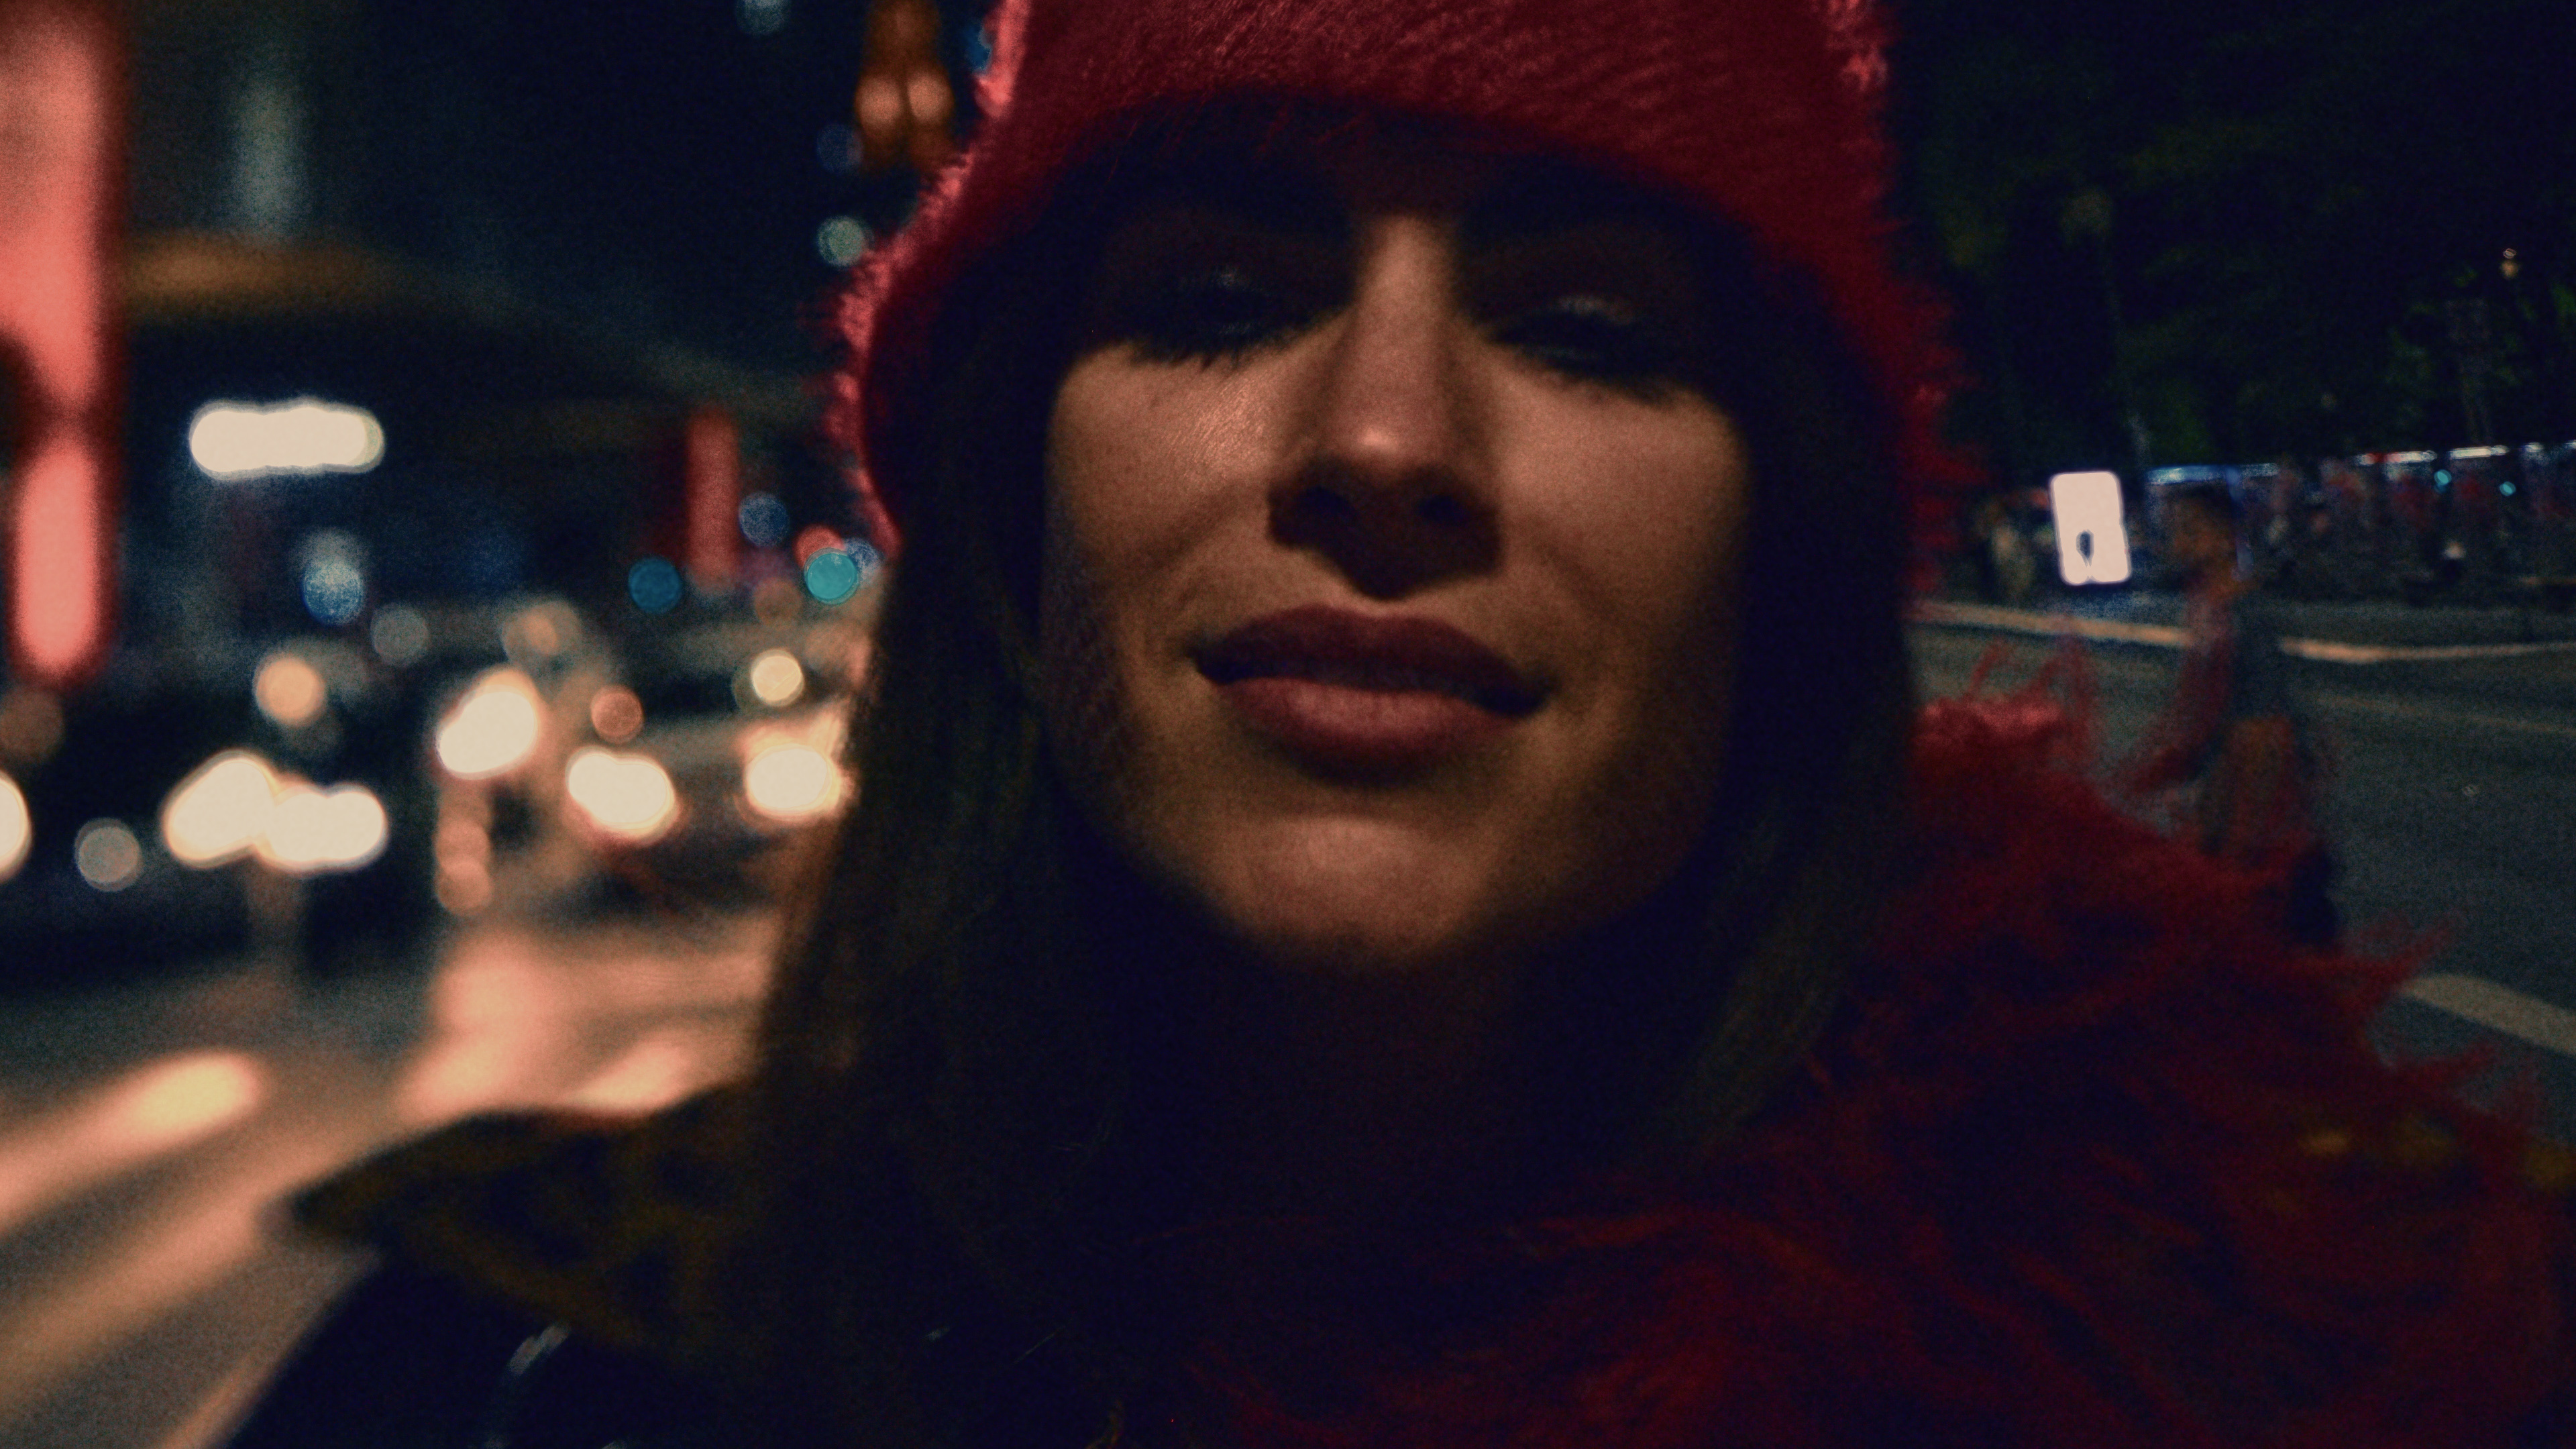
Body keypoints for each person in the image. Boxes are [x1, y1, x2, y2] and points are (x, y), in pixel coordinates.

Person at [225, 1, 2576, 1446]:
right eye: (1217, 293)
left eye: (1586, 327)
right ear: (1008, 510)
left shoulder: (2310, 1345)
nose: (1383, 437)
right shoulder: (519, 1383)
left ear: (1782, 555)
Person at [2121, 481, 2338, 945]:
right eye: (2172, 529)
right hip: (2231, 810)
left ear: (2226, 537)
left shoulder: (2245, 616)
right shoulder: (2207, 606)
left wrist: (2234, 842)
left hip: (2262, 824)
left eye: (2190, 529)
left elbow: (2261, 734)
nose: (2177, 541)